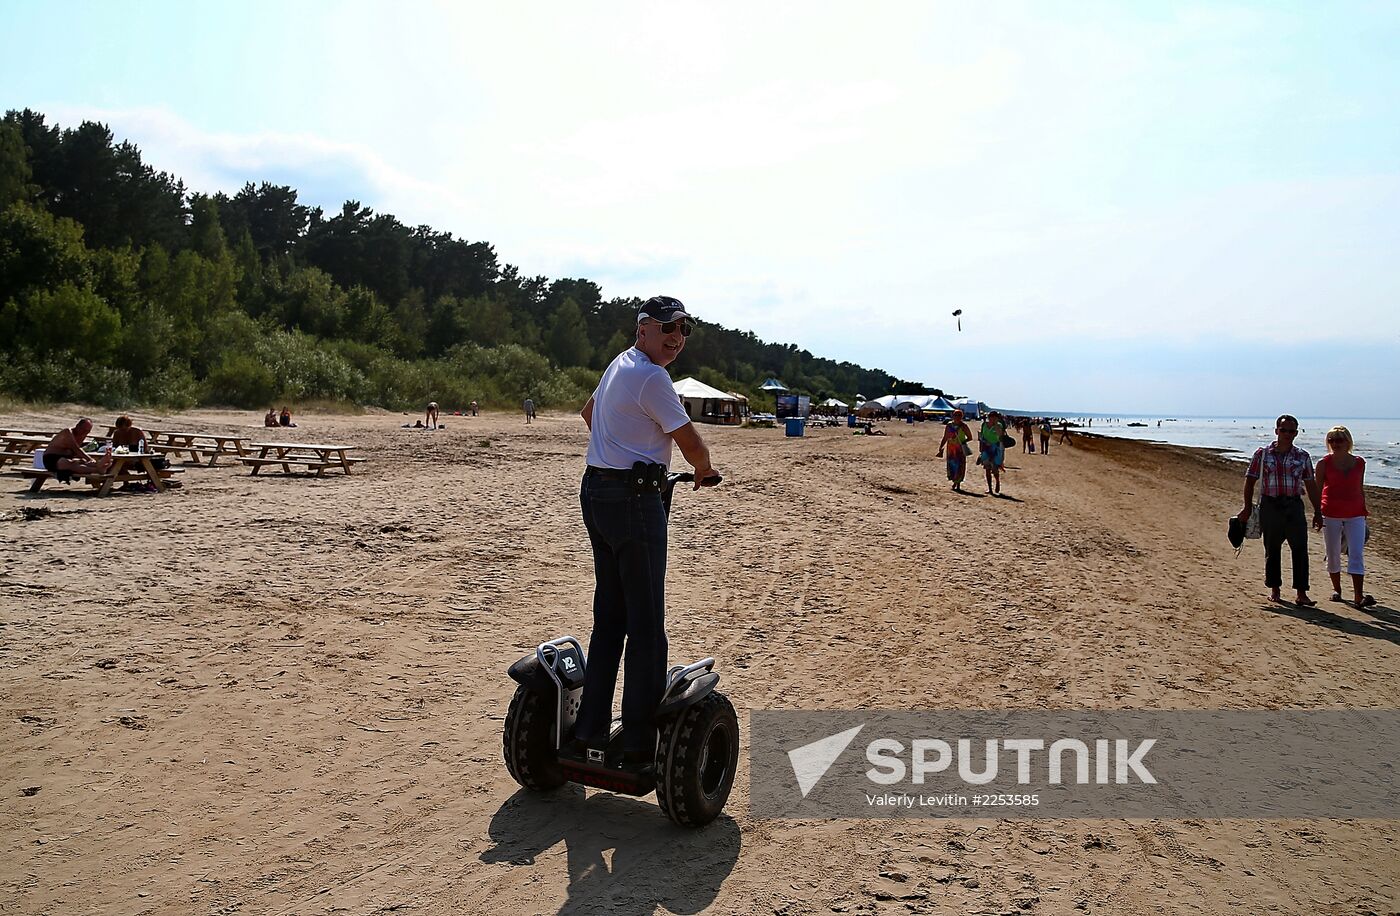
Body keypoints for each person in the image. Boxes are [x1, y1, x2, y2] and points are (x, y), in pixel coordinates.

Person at [572, 295, 720, 769]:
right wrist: (704, 470)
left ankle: (589, 728)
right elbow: (690, 441)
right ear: (643, 330)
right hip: (634, 501)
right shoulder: (654, 378)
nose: (677, 338)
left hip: (596, 491)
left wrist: (621, 442)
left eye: (683, 330)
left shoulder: (619, 364)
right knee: (646, 624)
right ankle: (638, 740)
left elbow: (589, 414)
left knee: (609, 617)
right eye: (667, 328)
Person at [1239, 415, 1321, 606]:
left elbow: (1311, 485)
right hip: (1271, 505)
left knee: (1300, 549)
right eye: (1283, 430)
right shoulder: (1262, 454)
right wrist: (1247, 507)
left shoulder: (1302, 456)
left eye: (1291, 431)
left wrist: (1318, 511)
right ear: (1276, 431)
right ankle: (1275, 589)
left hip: (1294, 506)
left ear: (1296, 433)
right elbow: (1250, 481)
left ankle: (1301, 593)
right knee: (1272, 549)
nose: (1287, 434)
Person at [1314, 426, 1374, 608]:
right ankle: (1337, 590)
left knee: (1356, 553)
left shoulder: (1360, 462)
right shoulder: (1323, 463)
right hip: (1330, 513)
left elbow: (1359, 488)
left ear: (1348, 441)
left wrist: (1364, 512)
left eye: (1339, 439)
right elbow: (1317, 491)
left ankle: (1358, 596)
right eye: (1331, 440)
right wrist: (1317, 513)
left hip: (1356, 514)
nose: (1335, 443)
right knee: (1333, 553)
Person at [41, 418, 112, 482]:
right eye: (83, 430)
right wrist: (90, 459)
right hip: (52, 459)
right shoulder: (67, 432)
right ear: (78, 426)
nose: (85, 432)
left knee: (80, 462)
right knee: (68, 463)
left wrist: (84, 460)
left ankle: (100, 465)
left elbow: (75, 452)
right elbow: (75, 448)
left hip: (67, 458)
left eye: (87, 431)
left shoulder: (82, 435)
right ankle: (98, 469)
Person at [936, 409, 973, 491]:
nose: (957, 417)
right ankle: (954, 481)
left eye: (959, 415)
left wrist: (963, 442)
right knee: (952, 464)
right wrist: (941, 446)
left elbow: (970, 437)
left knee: (960, 465)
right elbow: (945, 437)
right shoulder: (949, 426)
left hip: (960, 449)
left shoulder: (964, 426)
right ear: (952, 416)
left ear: (962, 416)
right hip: (951, 448)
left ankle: (958, 483)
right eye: (955, 415)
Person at [977, 412, 1007, 495]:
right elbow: (981, 436)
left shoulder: (999, 425)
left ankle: (997, 482)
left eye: (995, 417)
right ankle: (990, 488)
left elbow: (1000, 436)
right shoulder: (984, 425)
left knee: (995, 469)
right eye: (991, 417)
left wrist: (996, 424)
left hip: (995, 449)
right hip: (986, 448)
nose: (992, 419)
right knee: (987, 468)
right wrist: (981, 446)